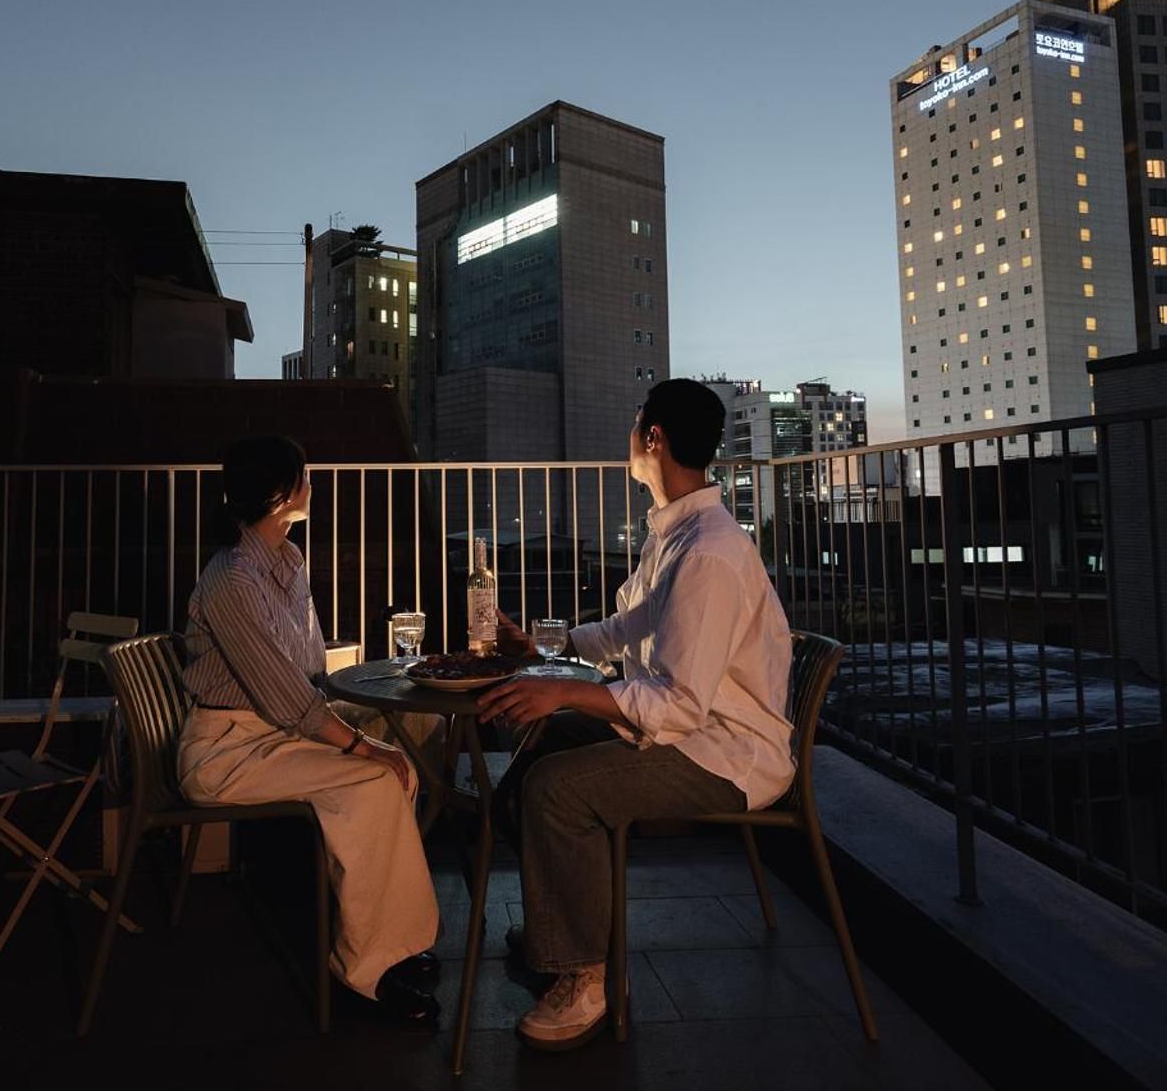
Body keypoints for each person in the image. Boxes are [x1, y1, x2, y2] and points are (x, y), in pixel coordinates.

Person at [477, 379, 796, 1051]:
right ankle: (562, 925)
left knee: (556, 788)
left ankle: (587, 978)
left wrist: (562, 688)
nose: (629, 436)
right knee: (545, 745)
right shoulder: (678, 534)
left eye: (635, 424)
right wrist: (549, 650)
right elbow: (630, 627)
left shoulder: (707, 552)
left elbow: (677, 705)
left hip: (725, 754)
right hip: (693, 733)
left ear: (654, 439)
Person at [178, 435, 441, 1027]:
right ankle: (364, 973)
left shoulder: (285, 562)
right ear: (279, 496)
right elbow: (283, 692)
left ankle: (392, 943)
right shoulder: (232, 580)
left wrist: (359, 726)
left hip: (268, 736)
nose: (313, 485)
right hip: (227, 753)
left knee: (394, 761)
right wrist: (359, 740)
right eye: (304, 476)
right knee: (373, 778)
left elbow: (309, 668)